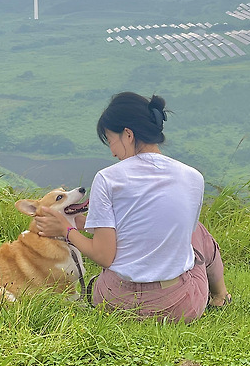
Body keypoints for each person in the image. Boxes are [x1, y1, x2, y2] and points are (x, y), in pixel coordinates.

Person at [36, 92, 231, 323]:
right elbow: (167, 231)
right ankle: (220, 296)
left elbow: (103, 256)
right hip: (177, 307)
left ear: (128, 134)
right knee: (198, 232)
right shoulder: (193, 178)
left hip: (114, 302)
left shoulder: (107, 178)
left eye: (111, 140)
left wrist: (66, 231)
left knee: (192, 231)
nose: (112, 151)